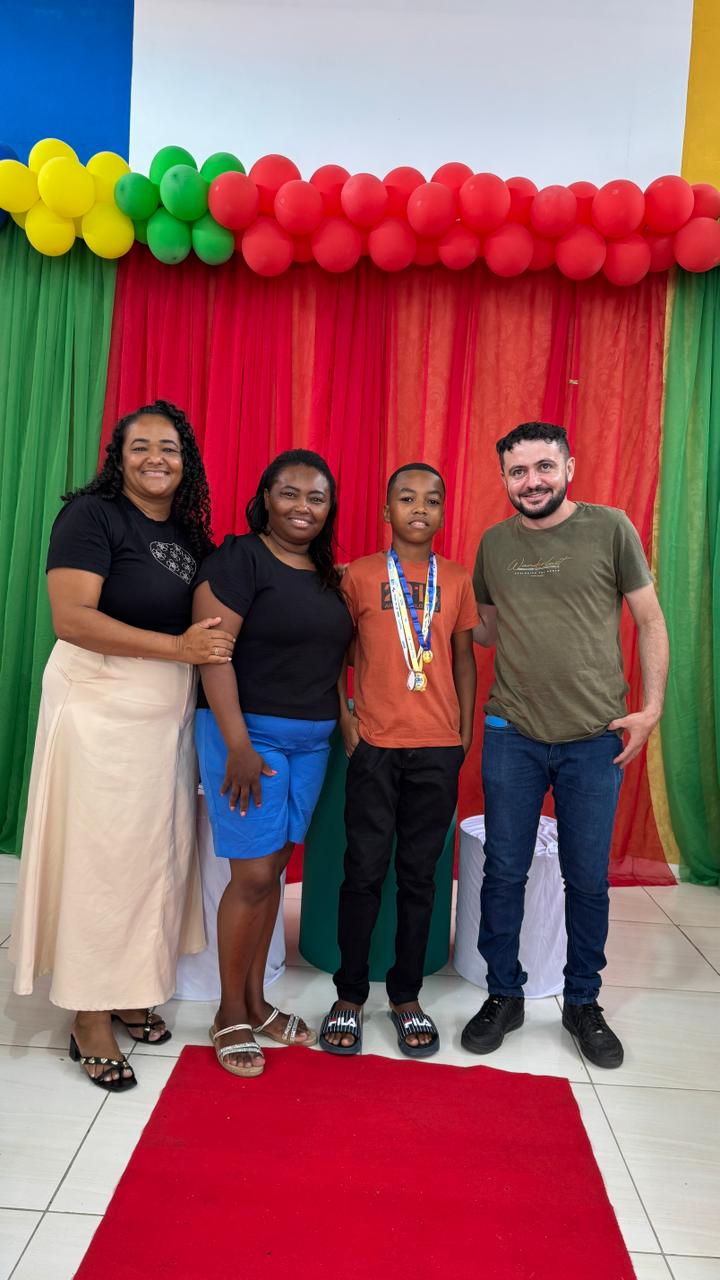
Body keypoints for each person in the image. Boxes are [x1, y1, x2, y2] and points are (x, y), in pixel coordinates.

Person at [10, 400, 234, 1091]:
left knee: (153, 857)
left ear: (186, 461)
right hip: (100, 711)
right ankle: (88, 1012)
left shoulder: (188, 533)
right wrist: (178, 649)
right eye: (141, 447)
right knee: (101, 863)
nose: (156, 459)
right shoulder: (92, 516)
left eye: (169, 448)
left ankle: (133, 985)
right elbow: (72, 619)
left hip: (164, 716)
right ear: (119, 456)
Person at [462, 422, 669, 1069]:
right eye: (518, 471)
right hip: (513, 734)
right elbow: (485, 631)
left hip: (593, 740)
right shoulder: (494, 544)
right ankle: (504, 994)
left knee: (586, 880)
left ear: (569, 468)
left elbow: (649, 619)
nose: (532, 482)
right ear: (504, 479)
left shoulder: (611, 529)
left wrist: (651, 710)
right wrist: (424, 598)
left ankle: (583, 1002)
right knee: (504, 872)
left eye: (544, 467)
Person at [194, 449, 353, 1078]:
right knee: (253, 876)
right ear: (266, 497)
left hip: (311, 745)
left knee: (274, 872)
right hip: (249, 738)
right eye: (289, 493)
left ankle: (258, 1003)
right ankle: (228, 1012)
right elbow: (213, 652)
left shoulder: (325, 574)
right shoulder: (239, 558)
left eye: (317, 497)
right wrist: (237, 744)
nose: (302, 507)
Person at [320, 463, 477, 1058]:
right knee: (363, 871)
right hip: (376, 745)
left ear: (443, 513)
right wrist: (346, 719)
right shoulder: (359, 576)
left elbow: (464, 659)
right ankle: (350, 995)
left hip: (437, 747)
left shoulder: (456, 580)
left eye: (432, 500)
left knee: (419, 876)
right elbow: (336, 654)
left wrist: (462, 732)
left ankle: (406, 996)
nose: (419, 509)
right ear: (387, 511)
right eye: (406, 499)